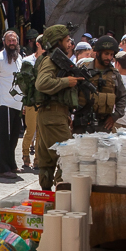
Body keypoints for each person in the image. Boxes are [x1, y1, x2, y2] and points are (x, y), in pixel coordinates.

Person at [34, 25, 81, 190]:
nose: (70, 44)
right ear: (57, 41)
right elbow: (42, 83)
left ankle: (46, 198)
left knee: (47, 159)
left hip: (52, 114)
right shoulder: (50, 60)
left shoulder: (54, 59)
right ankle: (62, 195)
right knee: (68, 157)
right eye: (67, 41)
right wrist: (67, 81)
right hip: (52, 116)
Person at [0, 31, 24, 179]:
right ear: (4, 42)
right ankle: (2, 168)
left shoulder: (19, 58)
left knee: (14, 137)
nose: (12, 43)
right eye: (9, 40)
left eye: (14, 40)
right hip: (4, 103)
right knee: (4, 137)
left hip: (17, 103)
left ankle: (11, 164)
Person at [73, 35, 126, 134]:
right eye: (106, 54)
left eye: (111, 54)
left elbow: (122, 96)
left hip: (104, 124)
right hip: (81, 124)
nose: (109, 57)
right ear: (97, 52)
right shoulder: (83, 71)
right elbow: (73, 94)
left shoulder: (114, 74)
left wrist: (114, 116)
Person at [21, 35, 45, 173]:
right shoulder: (28, 61)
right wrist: (23, 104)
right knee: (30, 131)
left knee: (41, 132)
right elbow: (23, 85)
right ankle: (25, 156)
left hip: (43, 101)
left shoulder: (48, 61)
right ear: (38, 44)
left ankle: (37, 160)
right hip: (31, 101)